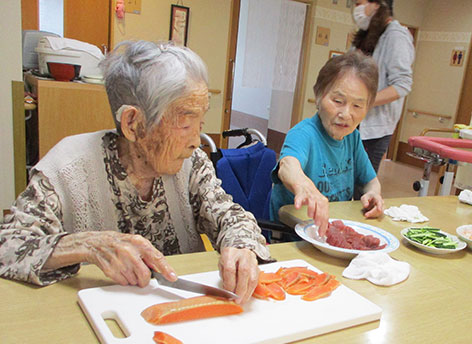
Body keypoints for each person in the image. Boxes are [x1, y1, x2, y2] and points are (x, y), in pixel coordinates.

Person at [0, 40, 271, 303]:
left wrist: (242, 245)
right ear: (132, 123)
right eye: (186, 124)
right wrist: (89, 245)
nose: (196, 140)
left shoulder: (191, 163)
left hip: (178, 310)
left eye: (201, 122)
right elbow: (8, 247)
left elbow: (230, 215)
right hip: (95, 319)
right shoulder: (66, 169)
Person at [270, 51, 384, 236]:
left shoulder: (352, 138)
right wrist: (305, 187)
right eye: (338, 101)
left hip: (333, 233)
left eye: (357, 106)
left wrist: (373, 194)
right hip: (293, 235)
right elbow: (287, 166)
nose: (346, 114)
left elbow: (370, 182)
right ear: (318, 96)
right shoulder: (303, 133)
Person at [351, 0, 414, 174]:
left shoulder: (396, 36)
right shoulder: (367, 34)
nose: (357, 10)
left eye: (360, 3)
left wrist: (364, 102)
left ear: (377, 4)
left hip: (373, 129)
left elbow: (402, 84)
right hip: (353, 122)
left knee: (363, 185)